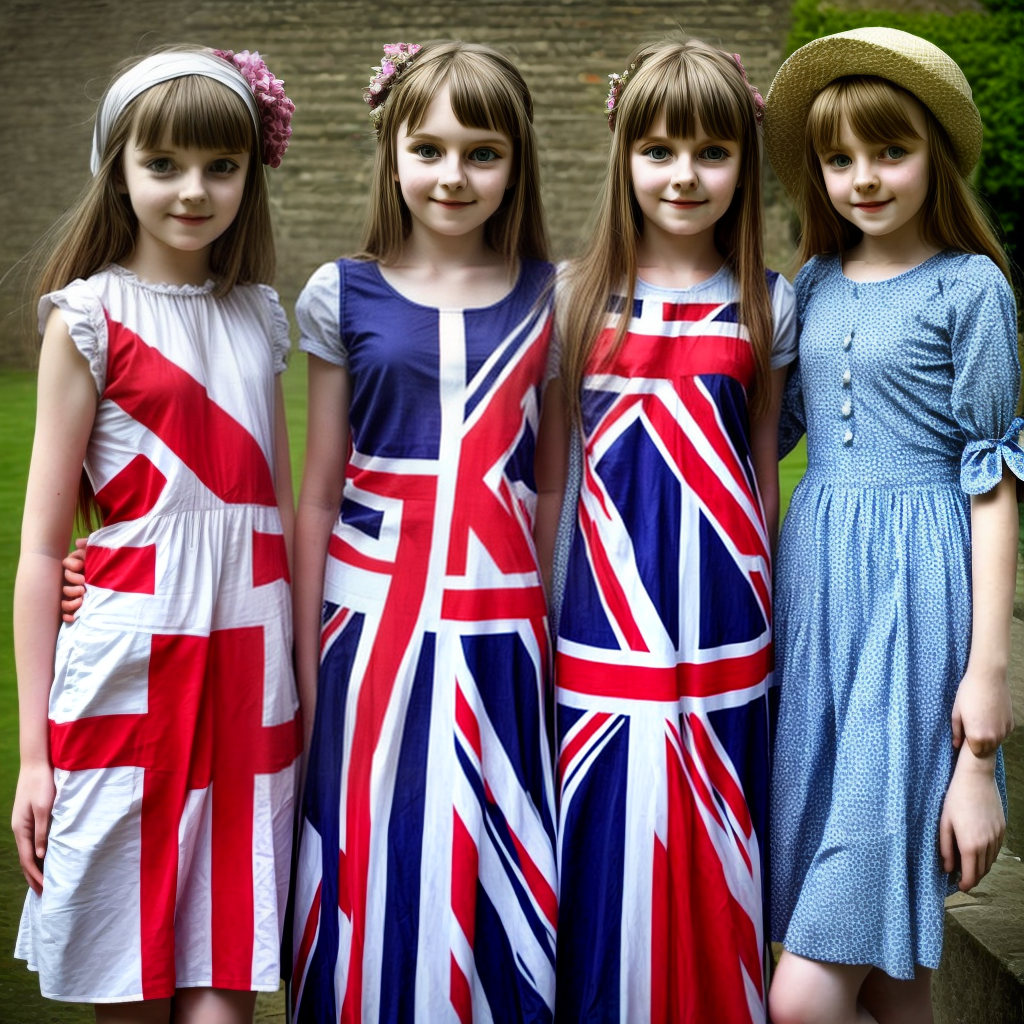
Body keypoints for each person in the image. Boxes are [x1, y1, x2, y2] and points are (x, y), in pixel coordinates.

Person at [11, 44, 300, 1023]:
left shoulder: (263, 316)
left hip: (253, 678)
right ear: (118, 167)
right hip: (128, 676)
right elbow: (45, 547)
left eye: (221, 166)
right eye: (164, 164)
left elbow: (272, 511)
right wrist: (36, 755)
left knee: (227, 979)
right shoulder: (86, 319)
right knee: (126, 975)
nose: (194, 190)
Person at [287, 41, 558, 1023]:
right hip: (367, 635)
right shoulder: (339, 291)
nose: (453, 174)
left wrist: (565, 634)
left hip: (503, 633)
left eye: (481, 152)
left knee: (498, 865)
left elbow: (556, 486)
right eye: (429, 147)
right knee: (372, 856)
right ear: (391, 152)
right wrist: (306, 649)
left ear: (514, 164)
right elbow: (317, 489)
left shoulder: (553, 295)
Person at [536, 37, 796, 1024]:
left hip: (730, 637)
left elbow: (762, 473)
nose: (683, 174)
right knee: (608, 863)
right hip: (601, 632)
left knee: (724, 866)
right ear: (623, 156)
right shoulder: (570, 296)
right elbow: (551, 487)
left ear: (743, 161)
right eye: (658, 149)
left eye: (710, 150)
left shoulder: (772, 306)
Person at [762, 28, 1018, 1024]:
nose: (863, 178)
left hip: (916, 605)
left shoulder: (969, 288)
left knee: (804, 992)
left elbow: (991, 480)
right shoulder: (812, 287)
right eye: (838, 159)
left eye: (888, 151)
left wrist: (984, 699)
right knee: (891, 973)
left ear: (934, 157)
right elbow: (758, 435)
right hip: (816, 599)